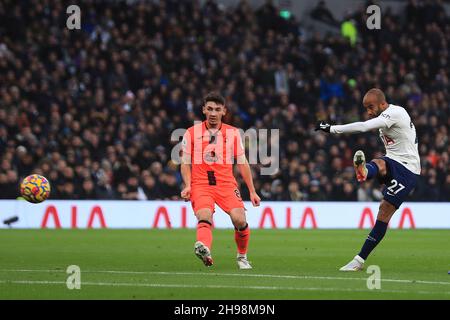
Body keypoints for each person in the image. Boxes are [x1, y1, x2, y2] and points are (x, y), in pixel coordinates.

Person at [316, 88, 421, 271]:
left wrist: (332, 129)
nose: (369, 112)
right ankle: (364, 172)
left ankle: (359, 260)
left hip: (408, 169)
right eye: (366, 109)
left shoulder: (395, 112)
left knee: (383, 212)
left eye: (371, 107)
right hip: (394, 161)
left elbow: (364, 126)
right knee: (379, 163)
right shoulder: (386, 116)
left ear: (382, 103)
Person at [180, 92, 261, 269]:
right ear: (203, 110)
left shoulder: (232, 133)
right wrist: (187, 186)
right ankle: (204, 248)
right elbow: (185, 163)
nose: (213, 113)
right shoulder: (191, 133)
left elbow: (242, 162)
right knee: (204, 215)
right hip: (200, 184)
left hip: (226, 184)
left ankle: (242, 257)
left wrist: (252, 191)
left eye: (217, 109)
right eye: (209, 109)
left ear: (224, 111)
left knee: (239, 220)